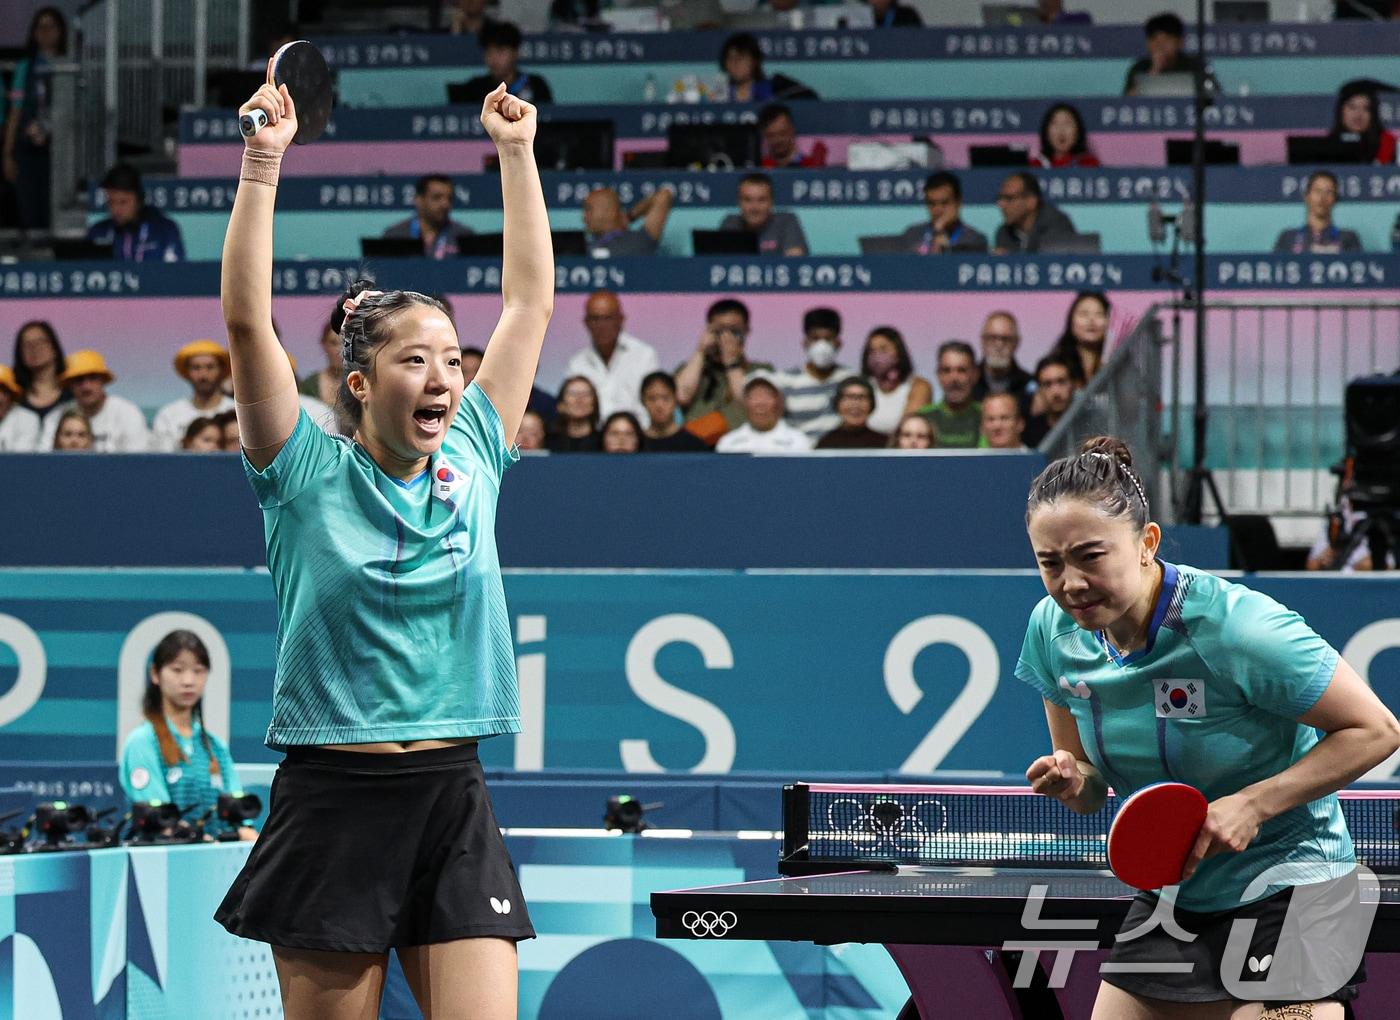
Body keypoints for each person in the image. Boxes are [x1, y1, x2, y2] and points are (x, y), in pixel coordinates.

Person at [214, 70, 550, 1019]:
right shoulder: (304, 471)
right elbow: (248, 321)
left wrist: (517, 156)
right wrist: (261, 163)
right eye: (415, 359)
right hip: (335, 797)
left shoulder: (478, 449)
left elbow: (528, 305)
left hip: (452, 791)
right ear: (360, 383)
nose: (444, 375)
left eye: (452, 358)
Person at [1020, 435, 1399, 1018]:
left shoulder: (1236, 627)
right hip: (1178, 891)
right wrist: (1075, 782)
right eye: (1050, 562)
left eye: (1090, 556)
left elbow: (1375, 730)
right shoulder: (1053, 631)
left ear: (1146, 544)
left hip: (1296, 884)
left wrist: (1252, 804)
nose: (1070, 583)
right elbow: (1091, 786)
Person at [120, 630, 257, 841]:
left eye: (198, 670)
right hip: (162, 864)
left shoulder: (215, 747)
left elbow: (240, 816)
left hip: (218, 863)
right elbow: (160, 821)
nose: (188, 680)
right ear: (155, 674)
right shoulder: (143, 743)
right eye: (177, 670)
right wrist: (197, 839)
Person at [2, 6, 66, 230]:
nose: (45, 31)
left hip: (60, 152)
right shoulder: (24, 67)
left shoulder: (70, 64)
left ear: (61, 31)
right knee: (30, 211)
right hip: (26, 151)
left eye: (51, 26)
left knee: (54, 210)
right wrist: (8, 154)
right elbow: (15, 111)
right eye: (40, 27)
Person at [675, 298, 775, 437]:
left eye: (734, 331)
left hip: (742, 449)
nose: (726, 338)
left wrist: (732, 363)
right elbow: (681, 396)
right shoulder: (691, 368)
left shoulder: (762, 371)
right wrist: (700, 351)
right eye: (719, 330)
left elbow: (751, 405)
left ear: (747, 331)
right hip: (697, 449)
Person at [563, 290, 659, 420]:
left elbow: (654, 404)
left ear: (621, 320)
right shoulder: (576, 364)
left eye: (607, 318)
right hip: (592, 438)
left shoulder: (644, 356)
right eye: (595, 319)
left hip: (638, 435)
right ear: (586, 323)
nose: (601, 326)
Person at [39, 350, 149, 452]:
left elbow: (138, 465)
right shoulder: (54, 418)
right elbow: (43, 464)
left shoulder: (128, 413)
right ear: (69, 385)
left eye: (93, 378)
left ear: (103, 380)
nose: (86, 386)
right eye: (79, 380)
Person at [775, 307, 854, 440]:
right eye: (815, 338)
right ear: (805, 342)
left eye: (828, 339)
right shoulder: (784, 381)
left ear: (838, 343)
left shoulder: (851, 380)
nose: (822, 345)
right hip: (799, 456)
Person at [86, 163, 186, 262]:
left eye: (123, 202)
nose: (116, 209)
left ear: (139, 200)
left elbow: (175, 273)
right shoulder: (97, 233)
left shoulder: (165, 230)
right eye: (111, 202)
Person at [151, 340, 235, 451]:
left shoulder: (237, 413)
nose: (203, 375)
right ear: (187, 372)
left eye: (210, 367)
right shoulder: (168, 415)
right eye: (196, 368)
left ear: (222, 370)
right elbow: (162, 460)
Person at [452, 21, 553, 105]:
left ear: (515, 52)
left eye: (500, 51)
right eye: (489, 52)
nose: (494, 59)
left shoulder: (536, 84)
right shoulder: (475, 88)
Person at [381, 175, 475, 259]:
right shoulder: (395, 236)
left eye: (449, 198)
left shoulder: (465, 236)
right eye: (437, 197)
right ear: (419, 200)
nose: (445, 204)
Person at [899, 171, 990, 255]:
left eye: (944, 203)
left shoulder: (976, 240)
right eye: (932, 203)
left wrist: (947, 249)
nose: (938, 209)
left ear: (958, 203)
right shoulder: (912, 234)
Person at [862, 326, 933, 434]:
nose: (876, 355)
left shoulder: (919, 386)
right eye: (871, 350)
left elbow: (908, 431)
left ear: (899, 352)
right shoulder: (862, 385)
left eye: (883, 349)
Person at [718, 173, 809, 256]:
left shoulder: (787, 222)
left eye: (761, 200)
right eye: (747, 200)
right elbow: (719, 262)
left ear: (771, 202)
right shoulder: (730, 225)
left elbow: (795, 260)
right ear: (739, 203)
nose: (754, 207)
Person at [1274, 170, 1362, 255]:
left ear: (1335, 199)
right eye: (1317, 191)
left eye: (1329, 192)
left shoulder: (1348, 238)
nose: (1322, 198)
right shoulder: (1288, 237)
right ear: (1306, 196)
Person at [715, 376, 813, 452]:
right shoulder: (728, 443)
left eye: (767, 395)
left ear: (779, 401)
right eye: (754, 396)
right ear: (745, 403)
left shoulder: (798, 442)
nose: (760, 403)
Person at [1123, 12, 1210, 97]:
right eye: (1155, 40)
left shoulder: (1195, 67)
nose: (1160, 45)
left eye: (1167, 40)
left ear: (1180, 42)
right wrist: (1154, 71)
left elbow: (1213, 97)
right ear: (1148, 43)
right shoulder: (1139, 68)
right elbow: (1128, 103)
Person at [915, 341, 982, 449]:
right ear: (938, 375)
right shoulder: (923, 418)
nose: (954, 378)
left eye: (961, 370)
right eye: (947, 370)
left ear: (975, 374)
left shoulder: (989, 417)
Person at [993, 172, 1078, 254]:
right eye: (1000, 198)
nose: (1001, 204)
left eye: (1009, 198)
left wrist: (1012, 259)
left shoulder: (1057, 225)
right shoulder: (1004, 233)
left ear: (1031, 201)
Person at [719, 33, 817, 103]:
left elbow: (811, 99)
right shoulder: (717, 95)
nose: (735, 63)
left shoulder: (778, 88)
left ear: (755, 61)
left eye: (741, 57)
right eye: (730, 58)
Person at [582, 186, 673, 257]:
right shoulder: (585, 246)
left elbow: (663, 196)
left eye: (588, 209)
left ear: (609, 211)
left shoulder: (641, 239)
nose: (584, 217)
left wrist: (629, 217)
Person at [971, 311, 1035, 408]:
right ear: (982, 341)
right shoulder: (968, 382)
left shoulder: (1030, 386)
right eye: (992, 338)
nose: (999, 345)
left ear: (1016, 343)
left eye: (1006, 339)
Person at [1326, 79, 1397, 166]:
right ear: (1341, 111)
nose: (1358, 115)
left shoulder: (1387, 143)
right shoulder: (1328, 144)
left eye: (1366, 108)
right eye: (1352, 107)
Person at [1050, 290, 1111, 387]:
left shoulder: (1116, 365)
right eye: (1084, 314)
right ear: (1071, 322)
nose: (1091, 320)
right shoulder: (1055, 367)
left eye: (1099, 314)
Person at [11, 319, 67, 425]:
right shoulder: (13, 397)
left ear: (54, 348)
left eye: (40, 342)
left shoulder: (73, 392)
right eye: (27, 345)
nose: (34, 348)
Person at [639, 371, 710, 452]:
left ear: (675, 400)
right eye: (652, 399)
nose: (659, 406)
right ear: (643, 401)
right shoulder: (636, 445)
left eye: (665, 398)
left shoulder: (694, 445)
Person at [1021, 354, 1076, 447]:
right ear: (1039, 390)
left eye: (1061, 381)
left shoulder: (1089, 424)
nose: (1056, 392)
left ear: (1073, 384)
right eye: (1047, 384)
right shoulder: (1029, 433)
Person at [817, 377, 887, 449]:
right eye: (849, 397)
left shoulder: (885, 444)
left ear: (872, 404)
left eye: (861, 397)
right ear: (837, 403)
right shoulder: (826, 444)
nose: (855, 404)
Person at [758, 104, 828, 169]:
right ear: (764, 135)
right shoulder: (760, 168)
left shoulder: (810, 166)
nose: (778, 140)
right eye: (771, 135)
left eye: (783, 133)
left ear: (792, 130)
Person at [1034, 103, 1101, 169]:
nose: (1061, 130)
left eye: (1067, 123)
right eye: (1055, 123)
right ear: (1046, 132)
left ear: (1078, 131)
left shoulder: (1090, 164)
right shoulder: (1035, 165)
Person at [547, 375, 602, 452]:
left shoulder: (603, 442)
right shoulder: (548, 442)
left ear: (594, 404)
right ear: (561, 405)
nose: (579, 399)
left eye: (586, 394)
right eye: (573, 393)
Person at [299, 313, 342, 408]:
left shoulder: (366, 384)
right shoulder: (309, 385)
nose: (340, 350)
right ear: (324, 344)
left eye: (345, 342)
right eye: (334, 343)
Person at [0, 365, 40, 451]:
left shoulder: (28, 419)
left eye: (4, 391)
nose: (0, 398)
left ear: (13, 395)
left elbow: (20, 459)